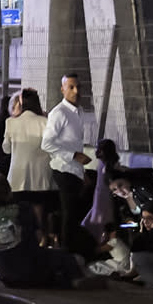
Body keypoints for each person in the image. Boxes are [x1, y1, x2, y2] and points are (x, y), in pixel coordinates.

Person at [42, 72, 97, 249]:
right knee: (69, 215)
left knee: (72, 215)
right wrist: (73, 156)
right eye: (71, 87)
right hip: (63, 170)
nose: (76, 91)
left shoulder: (78, 112)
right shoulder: (59, 113)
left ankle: (68, 251)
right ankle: (66, 256)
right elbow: (46, 144)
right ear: (62, 90)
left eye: (78, 87)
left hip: (74, 171)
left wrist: (82, 172)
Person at [0, 175, 54, 287]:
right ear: (8, 190)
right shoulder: (25, 208)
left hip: (5, 276)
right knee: (70, 259)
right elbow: (38, 237)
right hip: (31, 272)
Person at [1, 87, 56, 233]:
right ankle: (42, 241)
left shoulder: (11, 123)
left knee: (18, 215)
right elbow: (53, 148)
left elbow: (6, 149)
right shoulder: (46, 122)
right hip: (42, 177)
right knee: (39, 213)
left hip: (17, 178)